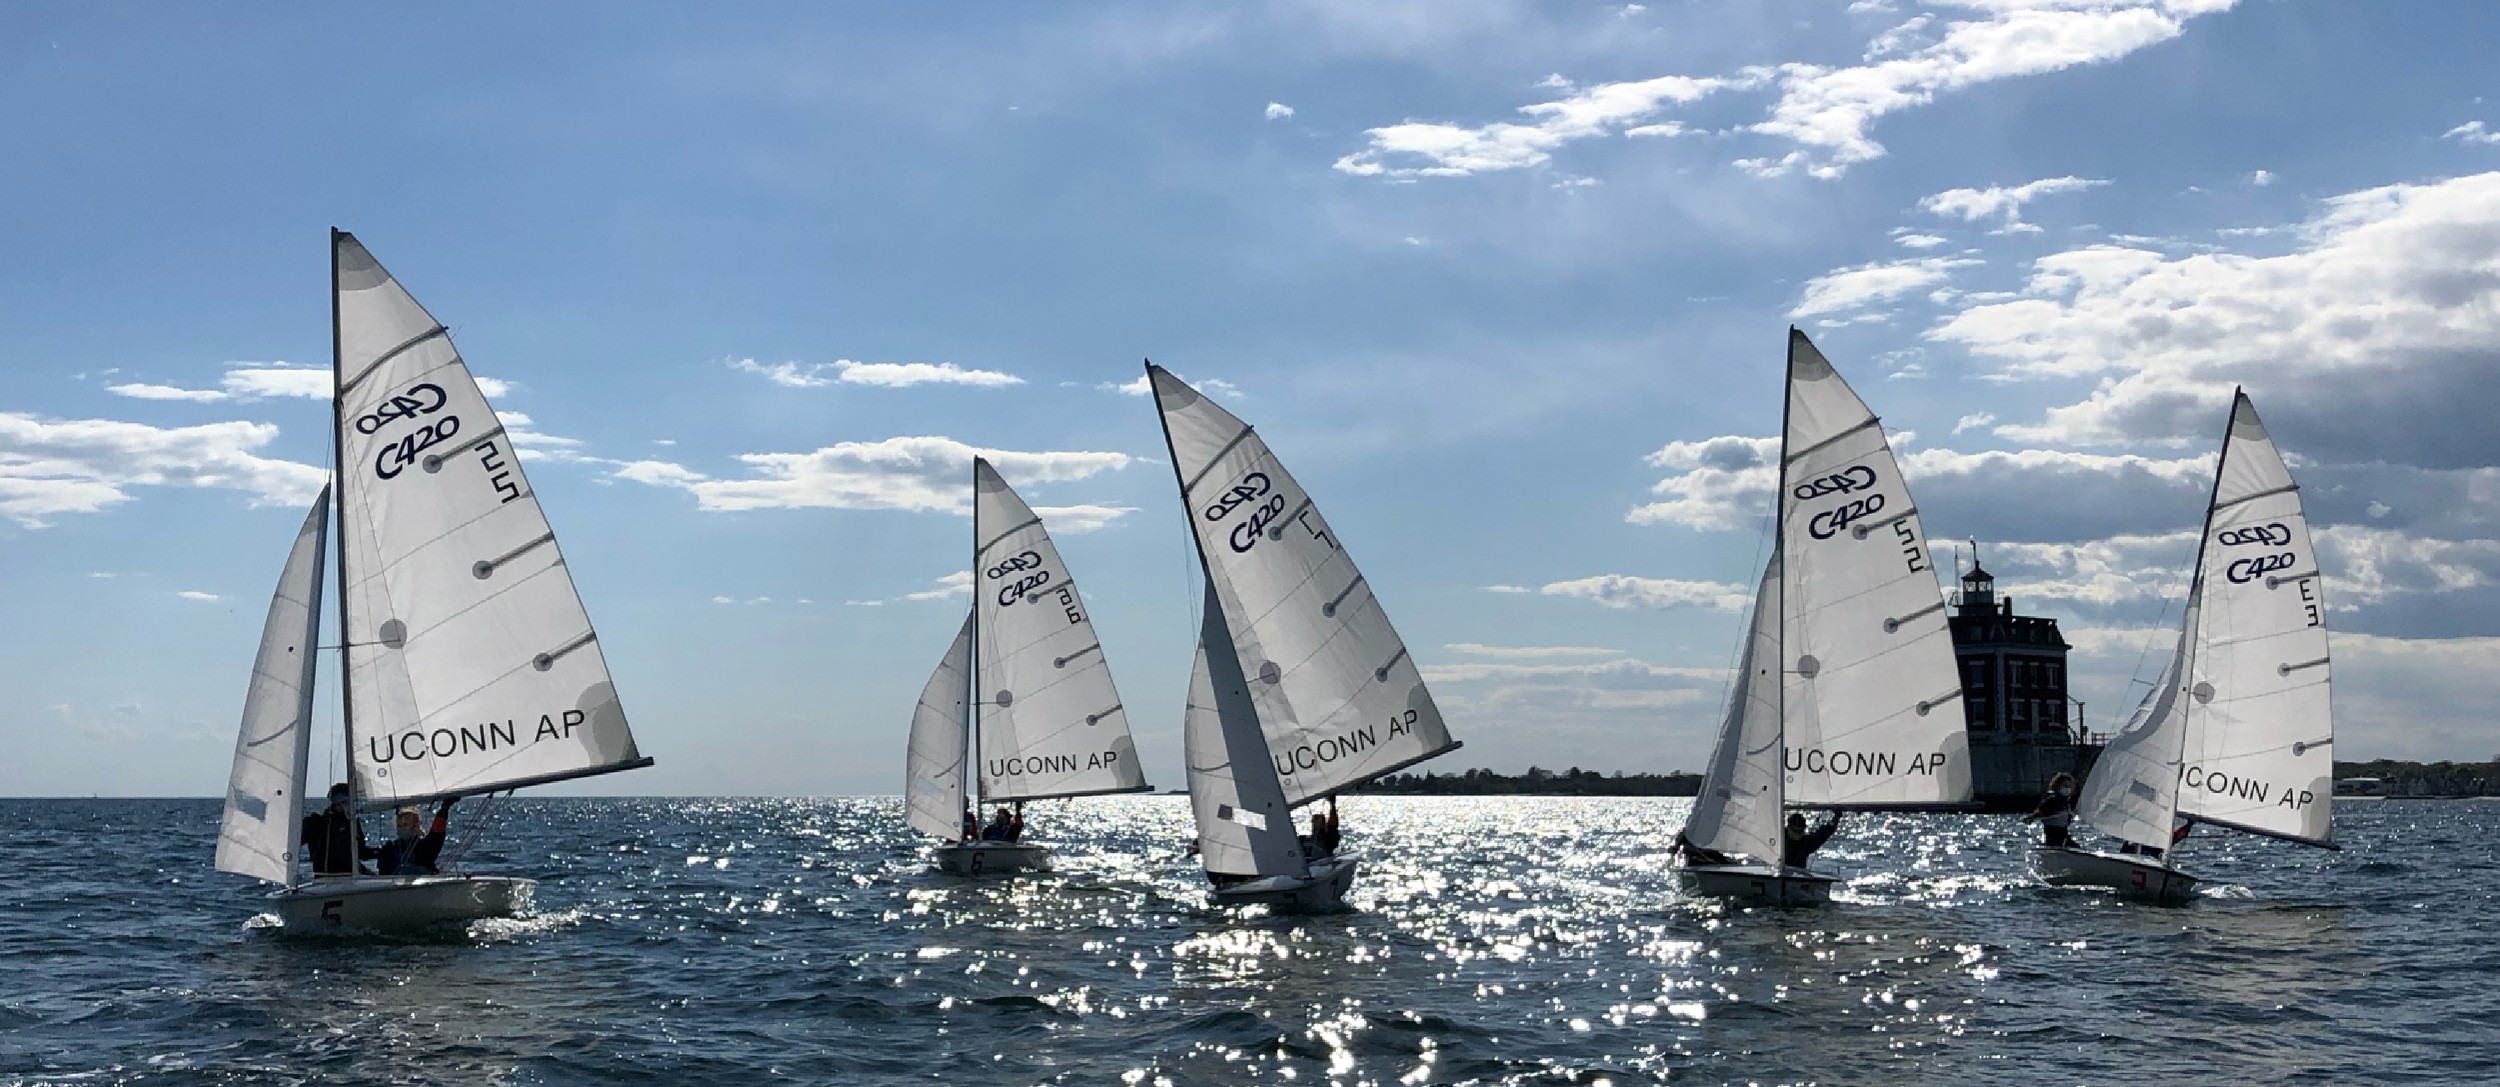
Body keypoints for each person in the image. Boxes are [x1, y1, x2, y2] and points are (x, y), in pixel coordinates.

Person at [300, 783, 375, 877]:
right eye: (346, 802)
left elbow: (360, 852)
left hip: (352, 872)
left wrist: (380, 852)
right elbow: (295, 842)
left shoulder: (352, 822)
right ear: (337, 803)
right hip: (328, 876)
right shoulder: (317, 822)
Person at [375, 799, 455, 876]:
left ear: (415, 826)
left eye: (405, 825)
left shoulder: (425, 847)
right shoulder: (389, 848)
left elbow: (436, 833)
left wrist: (445, 808)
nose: (401, 828)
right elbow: (383, 872)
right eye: (399, 826)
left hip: (423, 886)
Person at [2025, 773, 2078, 848]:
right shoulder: (2053, 799)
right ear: (2057, 786)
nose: (2067, 788)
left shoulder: (2066, 801)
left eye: (2069, 786)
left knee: (2074, 846)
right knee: (2060, 844)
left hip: (2063, 832)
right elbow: (2041, 810)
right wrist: (2032, 817)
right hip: (2053, 833)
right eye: (2065, 786)